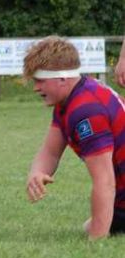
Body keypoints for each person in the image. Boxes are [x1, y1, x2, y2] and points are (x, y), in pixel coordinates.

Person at [23, 36, 125, 238]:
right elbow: (50, 152)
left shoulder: (86, 109)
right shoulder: (74, 96)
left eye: (40, 80)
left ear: (62, 78)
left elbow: (105, 181)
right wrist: (36, 173)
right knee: (93, 223)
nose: (36, 88)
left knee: (92, 227)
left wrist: (96, 240)